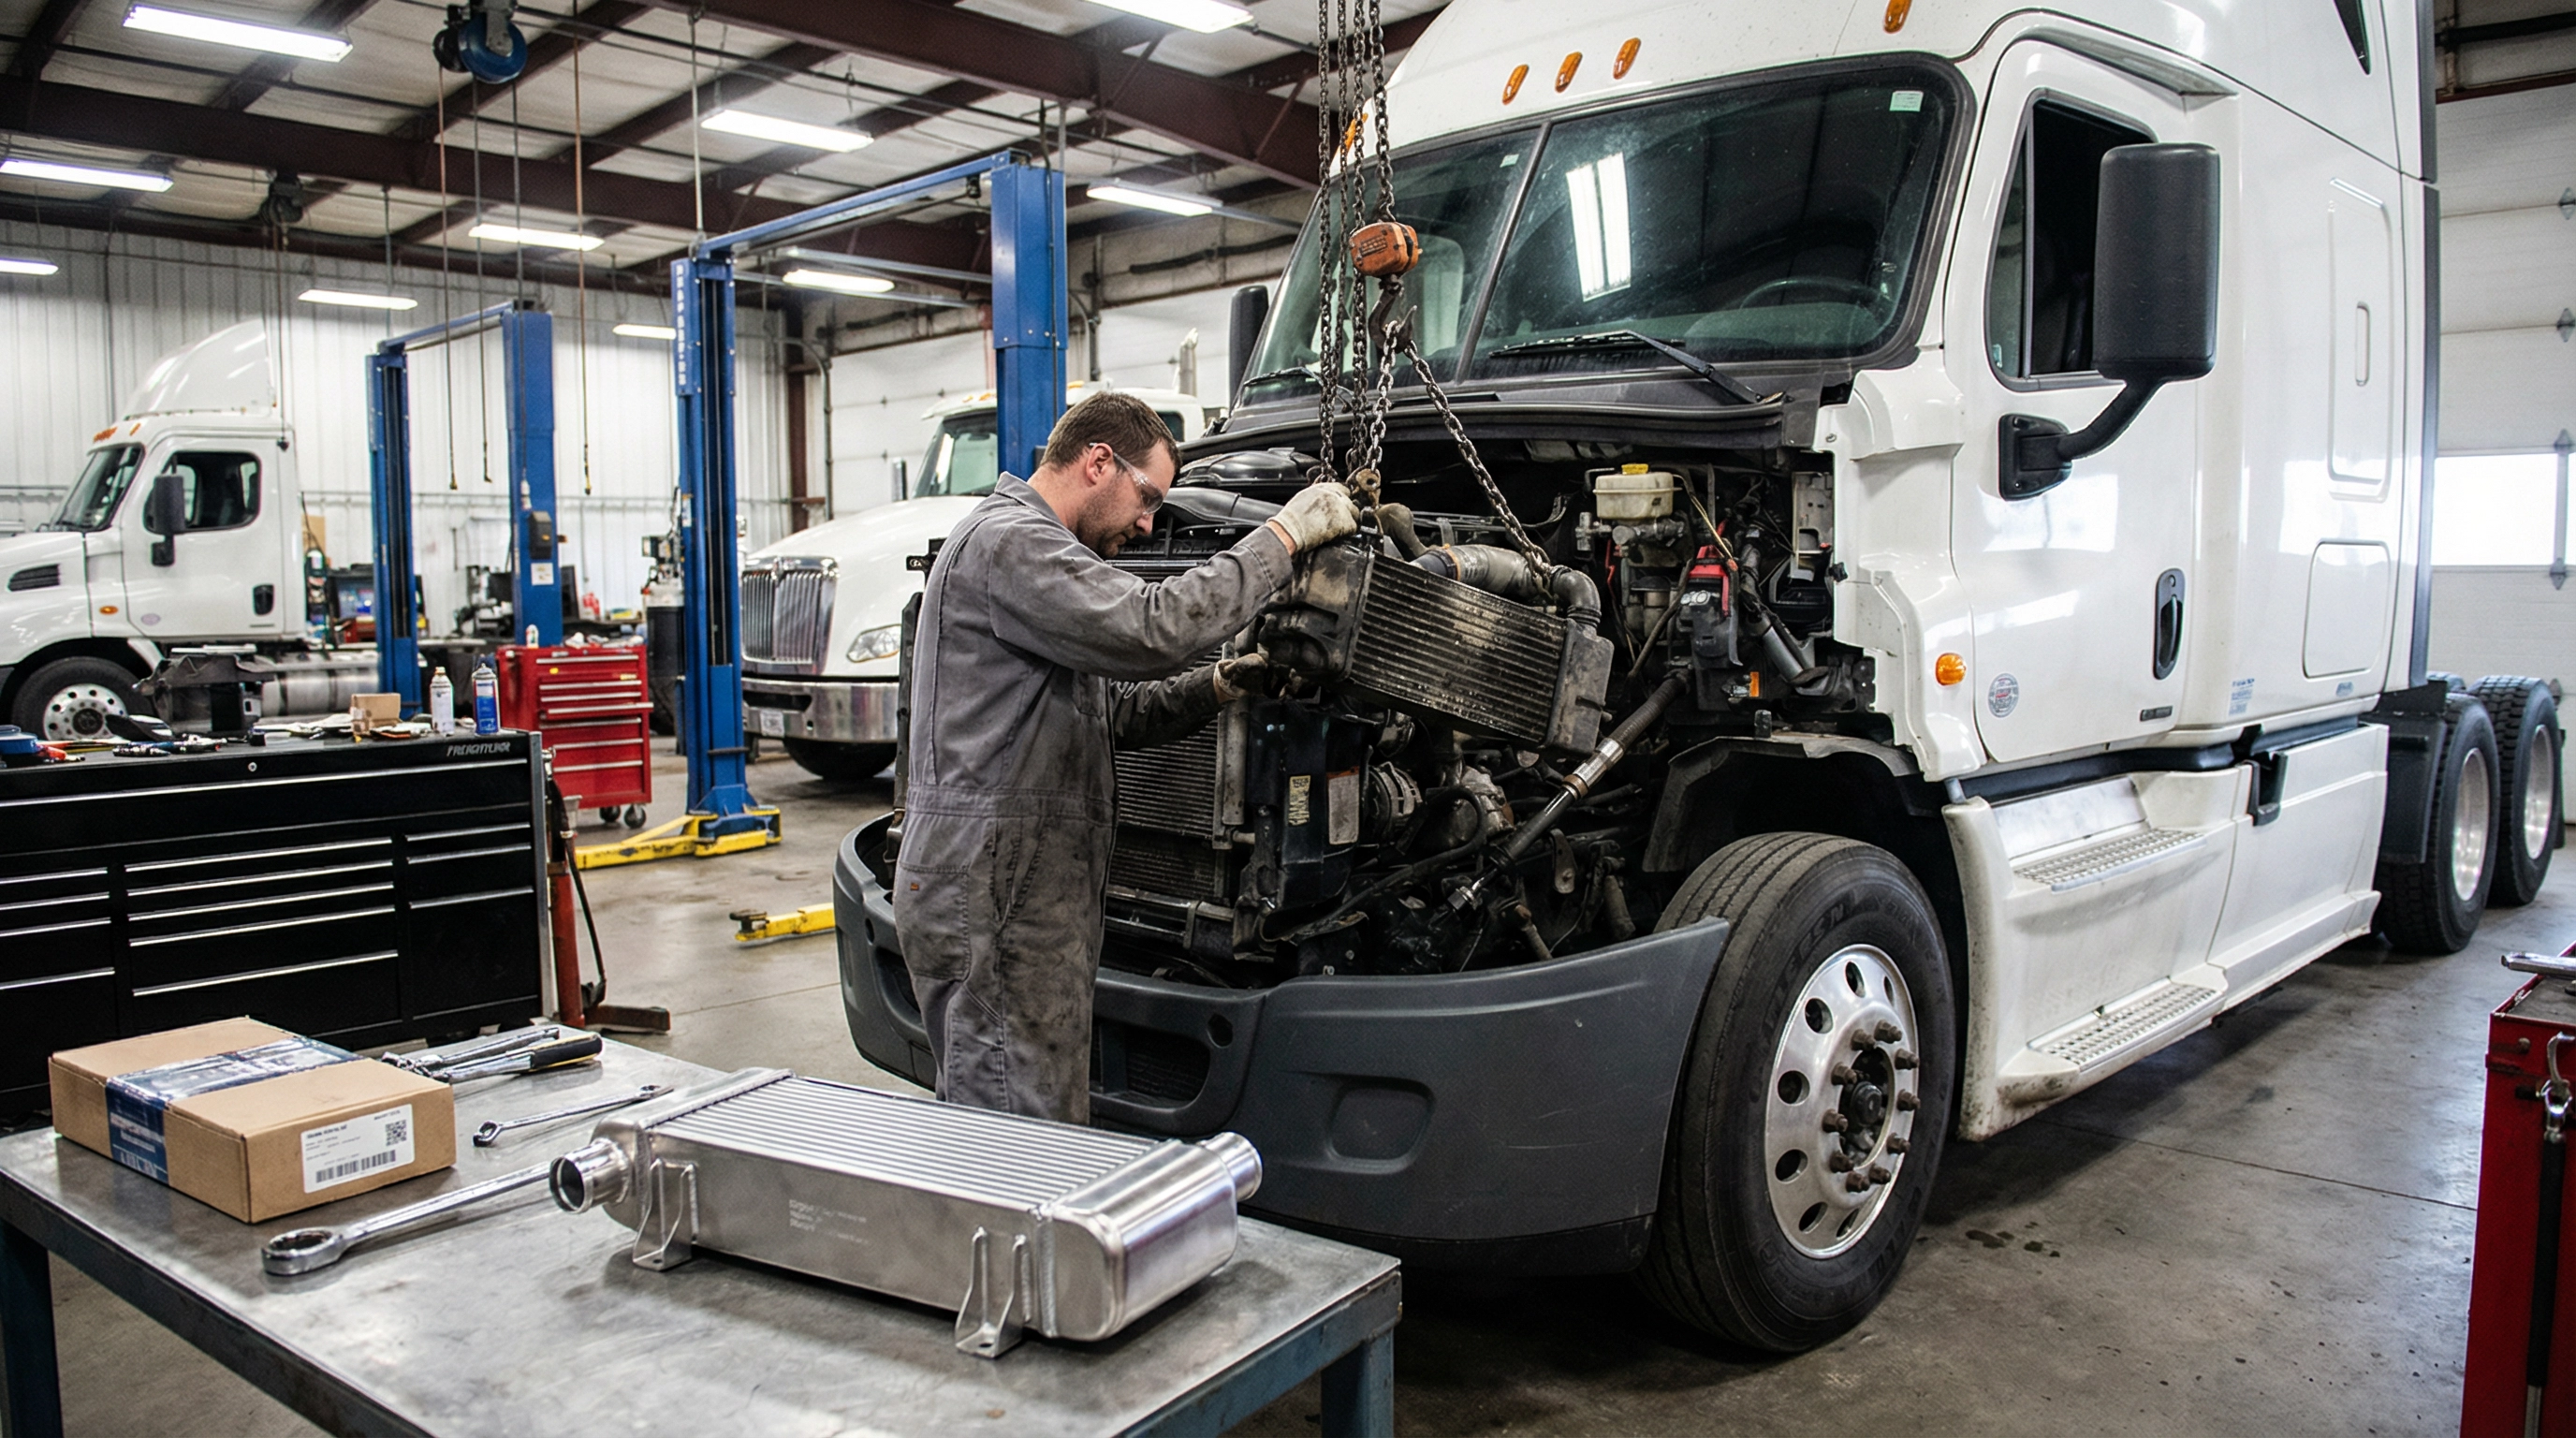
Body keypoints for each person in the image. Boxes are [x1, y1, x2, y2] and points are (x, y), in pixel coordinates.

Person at [894, 391, 1358, 1123]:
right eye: (1147, 498)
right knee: (1017, 1140)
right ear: (1097, 462)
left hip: (1015, 884)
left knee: (1035, 1117)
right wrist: (1284, 537)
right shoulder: (1011, 541)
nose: (1148, 523)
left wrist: (1220, 684)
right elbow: (1152, 627)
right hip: (995, 888)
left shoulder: (1033, 559)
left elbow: (1109, 716)